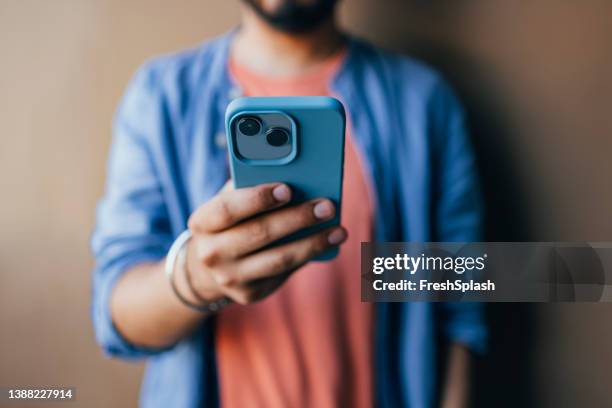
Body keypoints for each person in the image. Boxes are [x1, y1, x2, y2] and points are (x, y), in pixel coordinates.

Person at [91, 0, 487, 407]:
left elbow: (460, 299)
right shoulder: (160, 96)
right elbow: (115, 315)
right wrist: (196, 277)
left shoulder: (425, 102)